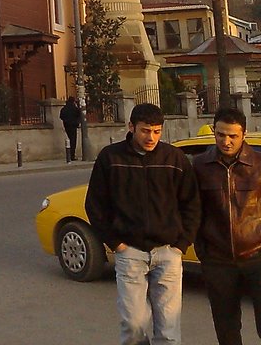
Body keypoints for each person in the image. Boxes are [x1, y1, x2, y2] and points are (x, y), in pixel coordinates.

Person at [85, 103, 200, 345]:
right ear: (131, 127)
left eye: (157, 131)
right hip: (130, 254)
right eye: (146, 131)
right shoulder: (111, 158)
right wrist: (116, 244)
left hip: (168, 253)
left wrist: (181, 244)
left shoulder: (174, 158)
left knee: (169, 331)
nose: (152, 137)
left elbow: (191, 204)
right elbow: (95, 206)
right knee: (133, 326)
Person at [192, 107, 261, 345]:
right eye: (220, 135)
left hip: (260, 258)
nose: (226, 141)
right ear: (214, 132)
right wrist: (204, 252)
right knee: (227, 332)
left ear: (244, 134)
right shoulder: (199, 166)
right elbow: (193, 211)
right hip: (218, 262)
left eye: (232, 136)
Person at [59, 96, 82, 161]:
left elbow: (61, 116)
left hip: (66, 126)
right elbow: (79, 114)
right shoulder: (74, 108)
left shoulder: (64, 108)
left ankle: (70, 155)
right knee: (73, 141)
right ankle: (72, 155)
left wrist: (66, 121)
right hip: (73, 126)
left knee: (70, 140)